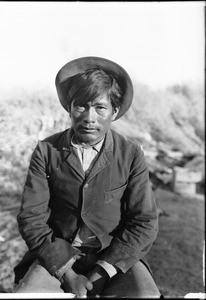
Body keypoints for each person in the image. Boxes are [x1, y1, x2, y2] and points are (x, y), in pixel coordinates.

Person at [14, 56, 160, 298]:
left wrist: (101, 273)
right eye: (81, 105)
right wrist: (68, 275)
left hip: (113, 257)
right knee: (29, 295)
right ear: (70, 109)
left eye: (100, 107)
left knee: (146, 295)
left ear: (114, 111)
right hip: (57, 256)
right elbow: (31, 218)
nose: (89, 117)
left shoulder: (131, 154)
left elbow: (144, 222)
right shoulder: (46, 151)